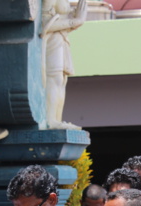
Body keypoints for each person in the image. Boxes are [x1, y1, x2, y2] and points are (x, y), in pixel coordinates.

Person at [41, 0, 87, 129]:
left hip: (62, 38)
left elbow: (63, 20)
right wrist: (75, 21)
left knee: (62, 80)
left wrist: (76, 16)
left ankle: (56, 119)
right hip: (52, 39)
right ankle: (50, 120)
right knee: (54, 78)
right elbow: (44, 24)